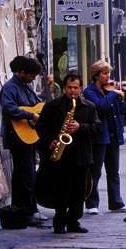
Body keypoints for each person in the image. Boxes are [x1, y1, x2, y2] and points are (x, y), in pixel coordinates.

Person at [36, 73, 100, 234]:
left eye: (76, 88)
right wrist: (49, 140)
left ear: (81, 88)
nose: (72, 91)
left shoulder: (89, 106)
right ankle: (59, 221)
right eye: (69, 88)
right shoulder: (52, 105)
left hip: (81, 155)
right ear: (64, 88)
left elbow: (97, 128)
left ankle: (74, 221)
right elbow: (41, 126)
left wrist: (81, 127)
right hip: (60, 155)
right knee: (60, 190)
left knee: (79, 191)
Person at [83, 60, 126, 214]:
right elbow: (100, 107)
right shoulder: (89, 92)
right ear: (96, 75)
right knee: (95, 172)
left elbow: (122, 110)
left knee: (113, 172)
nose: (108, 77)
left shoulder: (111, 91)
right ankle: (92, 204)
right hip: (99, 136)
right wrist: (113, 93)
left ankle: (116, 203)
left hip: (113, 135)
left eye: (108, 73)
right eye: (105, 73)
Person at [0, 56, 45, 224]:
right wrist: (30, 115)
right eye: (32, 75)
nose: (33, 78)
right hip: (16, 137)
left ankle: (27, 209)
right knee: (24, 174)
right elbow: (9, 107)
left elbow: (35, 104)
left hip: (27, 136)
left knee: (27, 173)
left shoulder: (26, 87)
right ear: (21, 72)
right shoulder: (10, 88)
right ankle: (25, 211)